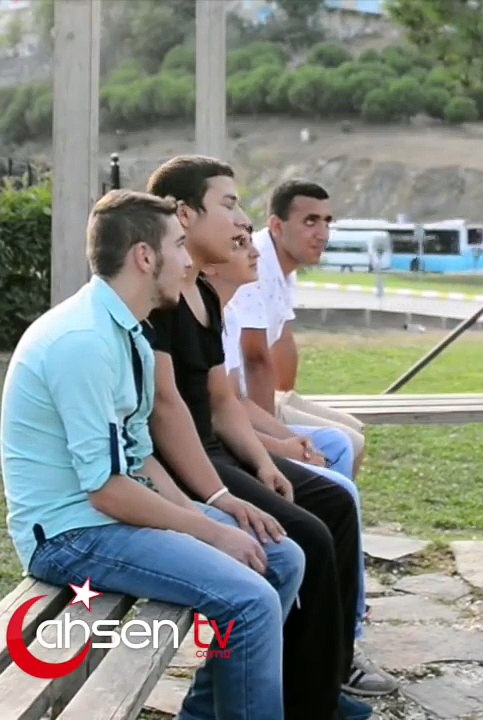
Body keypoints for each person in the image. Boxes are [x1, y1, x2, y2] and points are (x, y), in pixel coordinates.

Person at [0, 190, 305, 719]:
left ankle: (206, 713)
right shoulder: (82, 340)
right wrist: (208, 531)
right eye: (179, 245)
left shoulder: (129, 330)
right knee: (251, 599)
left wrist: (216, 506)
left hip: (109, 517)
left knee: (281, 557)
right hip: (71, 537)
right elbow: (107, 491)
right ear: (145, 256)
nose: (189, 261)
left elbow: (138, 457)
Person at [141, 155, 372, 720]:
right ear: (184, 215)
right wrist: (223, 495)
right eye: (229, 204)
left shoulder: (204, 297)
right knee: (307, 538)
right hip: (185, 464)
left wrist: (267, 462)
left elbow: (223, 402)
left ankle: (324, 681)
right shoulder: (161, 300)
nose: (241, 218)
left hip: (216, 451)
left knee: (335, 504)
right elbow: (167, 413)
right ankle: (308, 702)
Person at [206, 222, 396, 697]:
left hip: (229, 441)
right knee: (308, 531)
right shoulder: (186, 311)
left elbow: (229, 402)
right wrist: (265, 457)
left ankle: (337, 654)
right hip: (206, 459)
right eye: (239, 240)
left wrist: (278, 448)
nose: (253, 249)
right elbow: (195, 419)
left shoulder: (216, 309)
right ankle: (322, 667)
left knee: (334, 492)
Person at [228, 180, 368, 480]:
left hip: (264, 396)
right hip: (242, 401)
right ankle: (318, 501)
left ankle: (333, 501)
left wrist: (286, 398)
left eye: (327, 222)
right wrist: (273, 439)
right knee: (348, 443)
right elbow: (255, 358)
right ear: (277, 226)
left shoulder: (284, 267)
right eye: (310, 221)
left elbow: (283, 341)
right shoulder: (255, 262)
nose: (322, 234)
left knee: (356, 430)